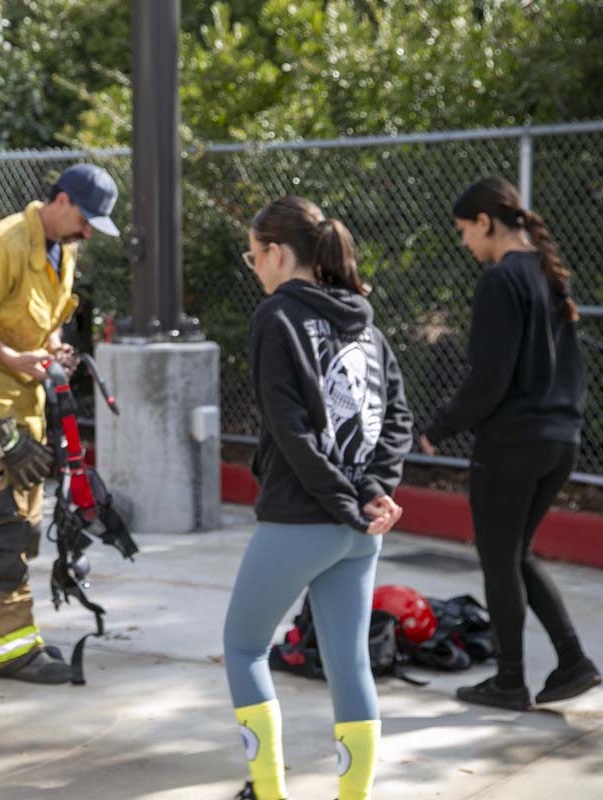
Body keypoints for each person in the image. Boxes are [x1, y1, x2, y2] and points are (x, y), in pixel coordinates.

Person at [224, 197, 413, 800]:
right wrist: (375, 493)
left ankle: (270, 794)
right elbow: (398, 420)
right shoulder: (365, 320)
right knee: (349, 664)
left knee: (244, 647)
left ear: (279, 253)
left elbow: (290, 428)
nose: (255, 268)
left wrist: (345, 500)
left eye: (255, 256)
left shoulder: (276, 318)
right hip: (361, 528)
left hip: (305, 516)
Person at [0, 163, 119, 684]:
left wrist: (52, 345)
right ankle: (8, 652)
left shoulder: (62, 247)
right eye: (85, 219)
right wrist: (15, 357)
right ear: (61, 201)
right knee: (0, 536)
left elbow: (49, 313)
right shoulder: (2, 246)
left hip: (19, 414)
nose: (87, 232)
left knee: (15, 531)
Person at [420, 176, 599, 711]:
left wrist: (439, 426)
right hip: (559, 441)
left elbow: (488, 378)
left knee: (498, 559)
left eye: (464, 232)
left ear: (485, 222)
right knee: (514, 553)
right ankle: (572, 662)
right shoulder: (546, 274)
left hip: (514, 443)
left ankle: (510, 680)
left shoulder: (502, 280)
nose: (464, 244)